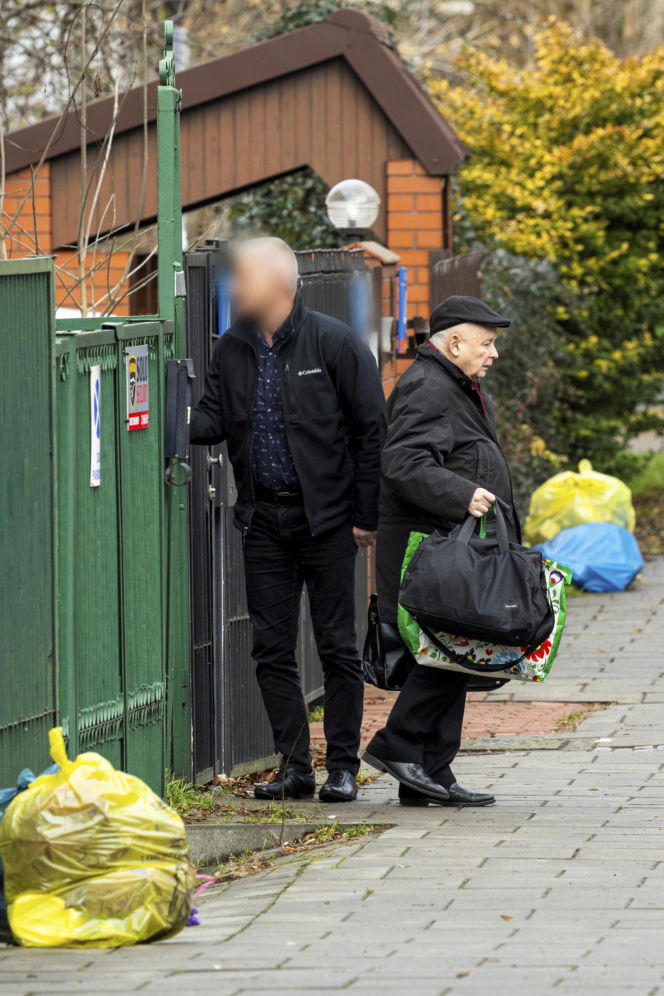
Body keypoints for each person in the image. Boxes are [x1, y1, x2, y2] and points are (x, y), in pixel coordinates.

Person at [189, 237, 384, 803]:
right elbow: (213, 418)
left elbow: (372, 432)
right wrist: (166, 417)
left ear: (277, 283)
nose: (233, 287)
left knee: (336, 646)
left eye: (242, 277)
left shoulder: (335, 344)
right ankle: (295, 766)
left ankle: (342, 768)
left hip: (326, 522)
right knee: (271, 649)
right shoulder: (232, 348)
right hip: (264, 520)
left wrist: (364, 516)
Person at [363, 295, 520, 807]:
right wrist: (462, 494)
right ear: (455, 343)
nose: (493, 353)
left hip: (453, 549)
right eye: (486, 343)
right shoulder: (428, 387)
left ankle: (431, 770)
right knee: (447, 655)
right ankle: (397, 747)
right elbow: (405, 463)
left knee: (455, 651)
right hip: (429, 549)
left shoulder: (459, 387)